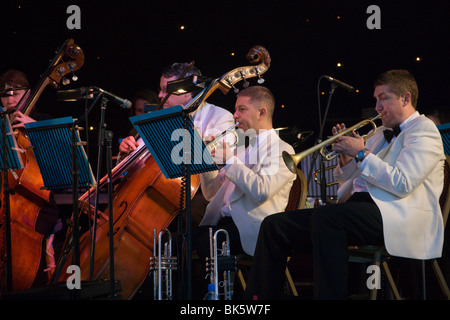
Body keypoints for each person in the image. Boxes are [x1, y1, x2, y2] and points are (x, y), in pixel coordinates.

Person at [244, 69, 446, 300]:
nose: (378, 107)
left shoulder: (424, 130)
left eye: (384, 98)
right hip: (367, 208)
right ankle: (258, 301)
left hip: (401, 214)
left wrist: (361, 153)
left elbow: (402, 183)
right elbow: (358, 181)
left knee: (327, 218)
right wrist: (348, 160)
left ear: (406, 98)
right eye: (376, 99)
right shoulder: (380, 132)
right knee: (274, 225)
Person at [117, 62, 235, 225]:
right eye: (160, 89)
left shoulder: (219, 117)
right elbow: (138, 162)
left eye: (165, 90)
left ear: (186, 92)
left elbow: (219, 162)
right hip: (163, 194)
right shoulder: (161, 117)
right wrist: (127, 154)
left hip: (199, 196)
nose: (159, 95)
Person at [192, 85, 296, 264]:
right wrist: (206, 159)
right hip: (224, 224)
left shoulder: (283, 149)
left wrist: (231, 161)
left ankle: (215, 291)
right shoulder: (242, 152)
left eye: (241, 109)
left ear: (261, 113)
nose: (234, 115)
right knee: (177, 239)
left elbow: (262, 191)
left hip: (253, 229)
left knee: (206, 243)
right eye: (235, 109)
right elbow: (211, 194)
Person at [0, 69, 61, 287]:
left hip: (37, 206)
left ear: (28, 94)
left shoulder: (43, 121)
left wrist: (35, 129)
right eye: (5, 94)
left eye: (16, 92)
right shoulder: (1, 125)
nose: (10, 99)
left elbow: (61, 163)